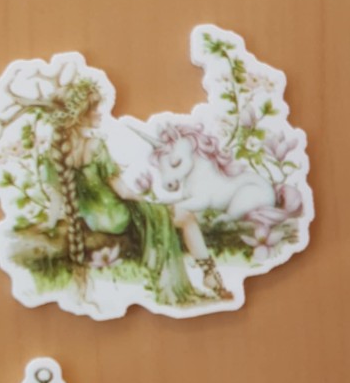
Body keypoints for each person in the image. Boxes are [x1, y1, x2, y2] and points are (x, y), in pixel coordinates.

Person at [57, 81, 228, 304]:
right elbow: (123, 192)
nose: (99, 112)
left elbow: (58, 197)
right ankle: (210, 275)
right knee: (186, 216)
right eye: (94, 108)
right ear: (79, 115)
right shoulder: (95, 146)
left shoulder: (58, 151)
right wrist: (155, 200)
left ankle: (209, 275)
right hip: (116, 217)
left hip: (92, 219)